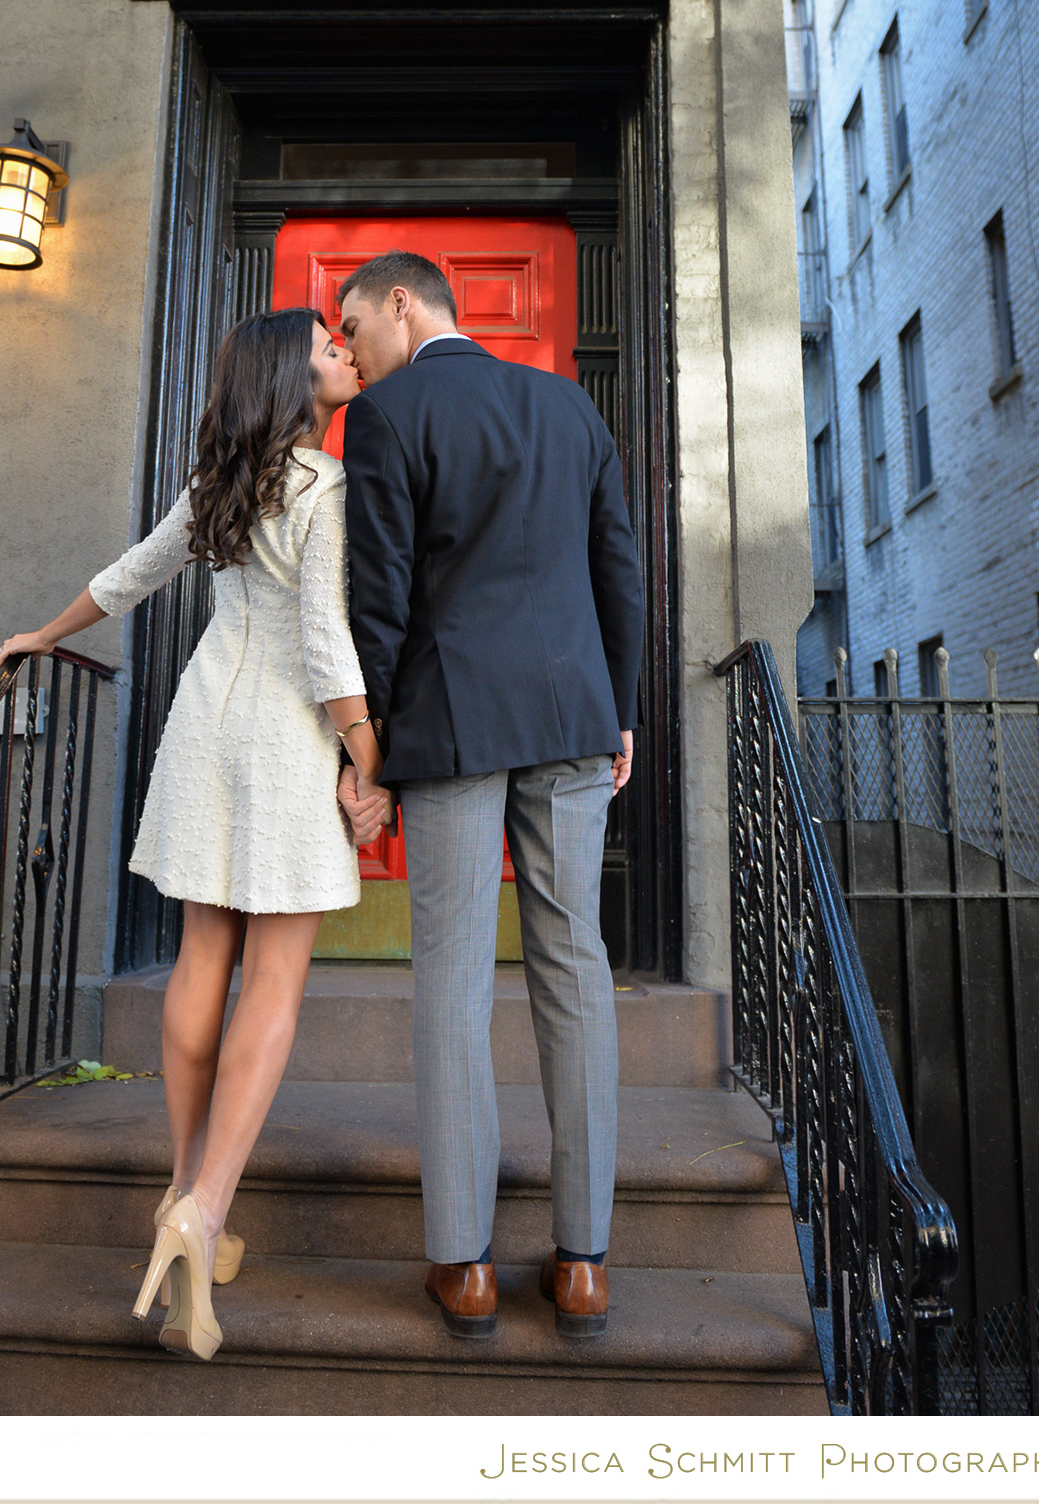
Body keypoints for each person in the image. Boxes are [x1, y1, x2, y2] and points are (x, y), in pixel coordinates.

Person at [0, 308, 390, 1363]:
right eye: (326, 344)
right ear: (290, 378)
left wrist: (43, 632)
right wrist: (366, 756)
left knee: (201, 954)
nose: (345, 351)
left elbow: (131, 574)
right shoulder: (322, 485)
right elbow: (324, 642)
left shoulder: (221, 481)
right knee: (274, 975)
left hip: (203, 721)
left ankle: (184, 1185)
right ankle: (205, 1208)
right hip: (282, 738)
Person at [336, 252, 644, 1340]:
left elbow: (378, 590)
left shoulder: (388, 415)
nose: (350, 348)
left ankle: (464, 1265)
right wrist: (621, 707)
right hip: (570, 713)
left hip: (453, 717)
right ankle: (585, 1261)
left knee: (455, 975)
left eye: (355, 323)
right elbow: (620, 561)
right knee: (575, 962)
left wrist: (366, 742)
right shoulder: (570, 407)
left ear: (405, 306)